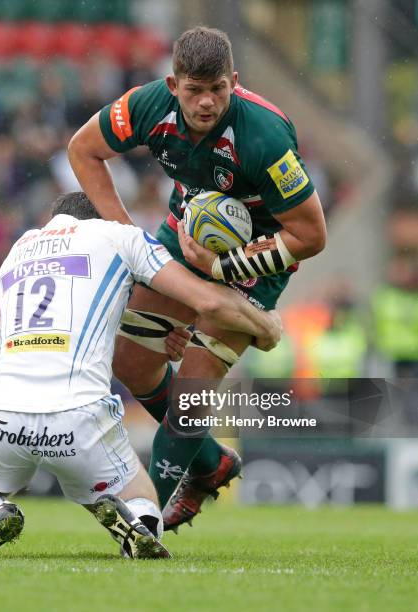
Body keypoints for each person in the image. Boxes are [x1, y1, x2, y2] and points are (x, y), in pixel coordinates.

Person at [68, 26, 327, 529]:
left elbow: (312, 235)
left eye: (218, 90)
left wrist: (221, 271)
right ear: (172, 85)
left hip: (260, 256)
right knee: (131, 361)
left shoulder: (264, 135)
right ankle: (209, 463)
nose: (207, 103)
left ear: (234, 81)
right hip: (185, 232)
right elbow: (83, 149)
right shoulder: (147, 106)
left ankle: (146, 525)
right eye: (194, 91)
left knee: (191, 394)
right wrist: (131, 242)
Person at [0, 192, 280, 559]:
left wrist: (161, 330)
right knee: (143, 497)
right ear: (102, 215)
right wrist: (265, 325)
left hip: (1, 416)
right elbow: (208, 301)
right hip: (77, 419)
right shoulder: (118, 236)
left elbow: (74, 309)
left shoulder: (17, 251)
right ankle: (138, 524)